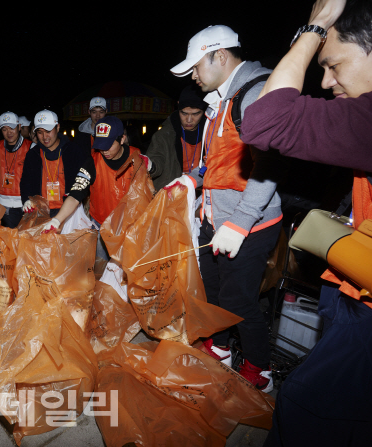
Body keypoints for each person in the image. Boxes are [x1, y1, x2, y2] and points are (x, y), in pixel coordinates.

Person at [240, 0, 372, 444]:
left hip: (365, 308)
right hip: (352, 286)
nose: (324, 80)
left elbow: (265, 121)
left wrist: (314, 27)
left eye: (333, 64)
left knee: (302, 412)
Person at [170, 24, 284, 392]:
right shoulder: (218, 101)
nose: (192, 74)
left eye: (196, 66)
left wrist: (240, 223)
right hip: (214, 217)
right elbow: (219, 161)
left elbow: (269, 168)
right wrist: (193, 178)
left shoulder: (255, 92)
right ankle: (219, 347)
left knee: (239, 301)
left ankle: (259, 369)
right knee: (214, 292)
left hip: (247, 224)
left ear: (220, 56)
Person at [47, 116, 147, 258]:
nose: (104, 150)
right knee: (101, 269)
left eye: (109, 145)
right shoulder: (93, 161)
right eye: (100, 145)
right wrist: (57, 220)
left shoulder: (137, 158)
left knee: (127, 271)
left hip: (130, 227)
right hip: (101, 225)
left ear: (122, 139)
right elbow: (76, 193)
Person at [20, 109, 88, 219]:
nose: (44, 137)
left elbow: (83, 181)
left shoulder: (73, 151)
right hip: (42, 212)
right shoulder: (33, 155)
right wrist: (26, 200)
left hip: (69, 211)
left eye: (48, 131)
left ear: (57, 127)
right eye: (40, 132)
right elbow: (25, 182)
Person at [146, 85, 207, 190]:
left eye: (195, 114)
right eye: (184, 113)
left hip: (202, 194)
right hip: (172, 194)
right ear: (178, 106)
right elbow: (157, 158)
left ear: (204, 110)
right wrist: (151, 166)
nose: (189, 120)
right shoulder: (164, 135)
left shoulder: (212, 133)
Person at [0, 111, 31, 228]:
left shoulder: (31, 147)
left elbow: (37, 178)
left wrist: (32, 199)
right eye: (4, 129)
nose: (8, 132)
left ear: (19, 127)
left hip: (26, 205)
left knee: (26, 243)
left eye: (12, 128)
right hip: (4, 206)